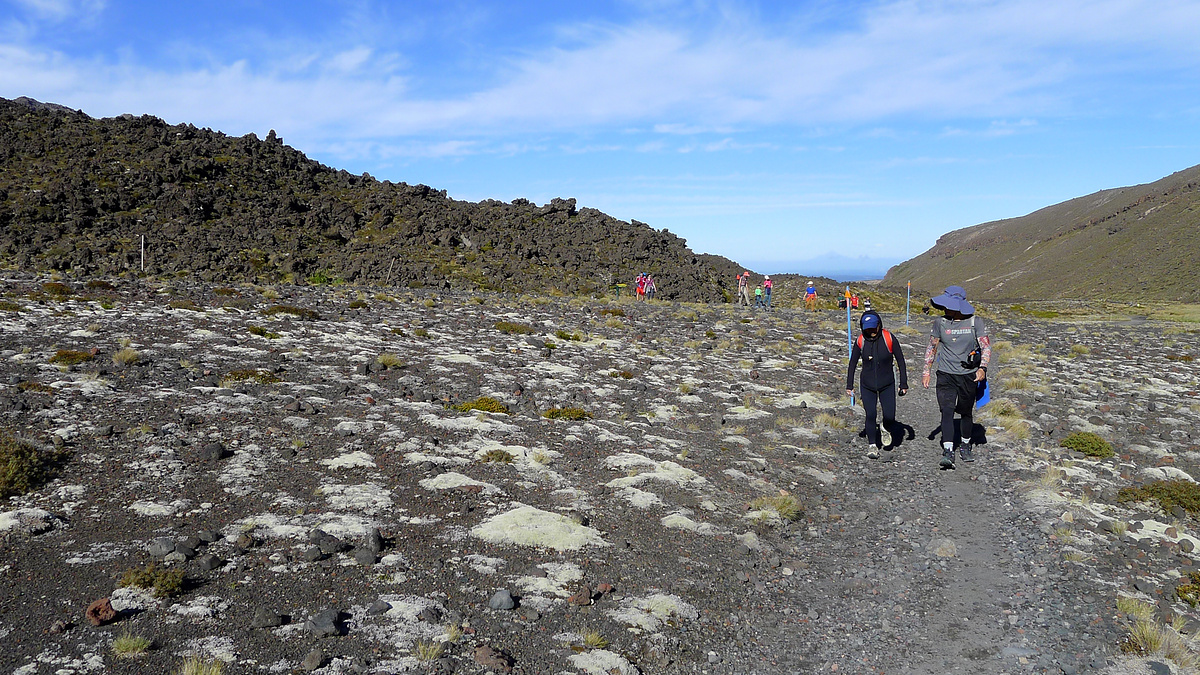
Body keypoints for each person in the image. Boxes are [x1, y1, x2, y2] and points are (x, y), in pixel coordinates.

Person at [922, 285, 990, 469]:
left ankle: (966, 444)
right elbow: (932, 347)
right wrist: (926, 371)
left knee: (966, 411)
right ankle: (948, 450)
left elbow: (985, 347)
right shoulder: (940, 323)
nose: (945, 308)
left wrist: (982, 368)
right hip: (945, 374)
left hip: (968, 375)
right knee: (947, 410)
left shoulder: (976, 322)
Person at [847, 310, 908, 459]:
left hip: (887, 383)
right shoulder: (861, 341)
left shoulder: (888, 338)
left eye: (874, 327)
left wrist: (903, 383)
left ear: (879, 325)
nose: (871, 331)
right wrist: (849, 385)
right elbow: (853, 363)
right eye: (868, 328)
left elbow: (900, 360)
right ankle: (872, 446)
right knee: (871, 414)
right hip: (867, 384)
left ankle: (884, 427)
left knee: (890, 416)